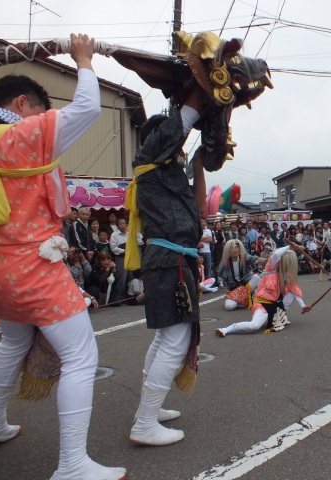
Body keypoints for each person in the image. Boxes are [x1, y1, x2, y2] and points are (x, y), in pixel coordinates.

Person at [0, 34, 126, 479]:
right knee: (82, 355)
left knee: (11, 342)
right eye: (40, 109)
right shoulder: (20, 133)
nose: (45, 118)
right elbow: (87, 108)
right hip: (33, 266)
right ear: (20, 104)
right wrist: (83, 59)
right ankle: (72, 466)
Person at [125, 83, 210, 447]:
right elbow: (179, 125)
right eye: (171, 139)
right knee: (175, 340)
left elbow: (198, 205)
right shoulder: (149, 159)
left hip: (174, 259)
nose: (177, 144)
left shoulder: (164, 172)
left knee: (166, 337)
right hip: (168, 260)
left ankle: (149, 410)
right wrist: (203, 89)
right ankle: (144, 423)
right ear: (157, 141)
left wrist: (201, 164)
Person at [215, 246, 311, 336]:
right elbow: (277, 254)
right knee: (254, 326)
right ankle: (227, 329)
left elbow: (294, 290)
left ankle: (280, 315)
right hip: (262, 303)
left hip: (275, 305)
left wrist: (303, 306)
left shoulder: (285, 275)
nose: (289, 265)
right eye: (288, 262)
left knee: (291, 291)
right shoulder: (271, 267)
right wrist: (290, 247)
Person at [217, 239, 265, 310]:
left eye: (236, 247)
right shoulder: (225, 263)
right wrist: (222, 282)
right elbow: (220, 275)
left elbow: (255, 260)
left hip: (246, 284)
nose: (234, 250)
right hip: (234, 289)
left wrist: (268, 259)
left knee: (256, 278)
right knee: (229, 306)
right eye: (232, 248)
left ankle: (243, 297)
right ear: (228, 250)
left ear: (240, 249)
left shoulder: (244, 257)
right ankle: (245, 299)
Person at [110, 217, 129, 299]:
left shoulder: (129, 233)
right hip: (120, 257)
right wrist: (124, 251)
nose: (122, 225)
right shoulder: (114, 235)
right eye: (120, 224)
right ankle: (120, 296)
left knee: (130, 275)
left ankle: (129, 294)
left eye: (124, 223)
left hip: (130, 257)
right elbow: (114, 248)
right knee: (122, 276)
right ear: (118, 225)